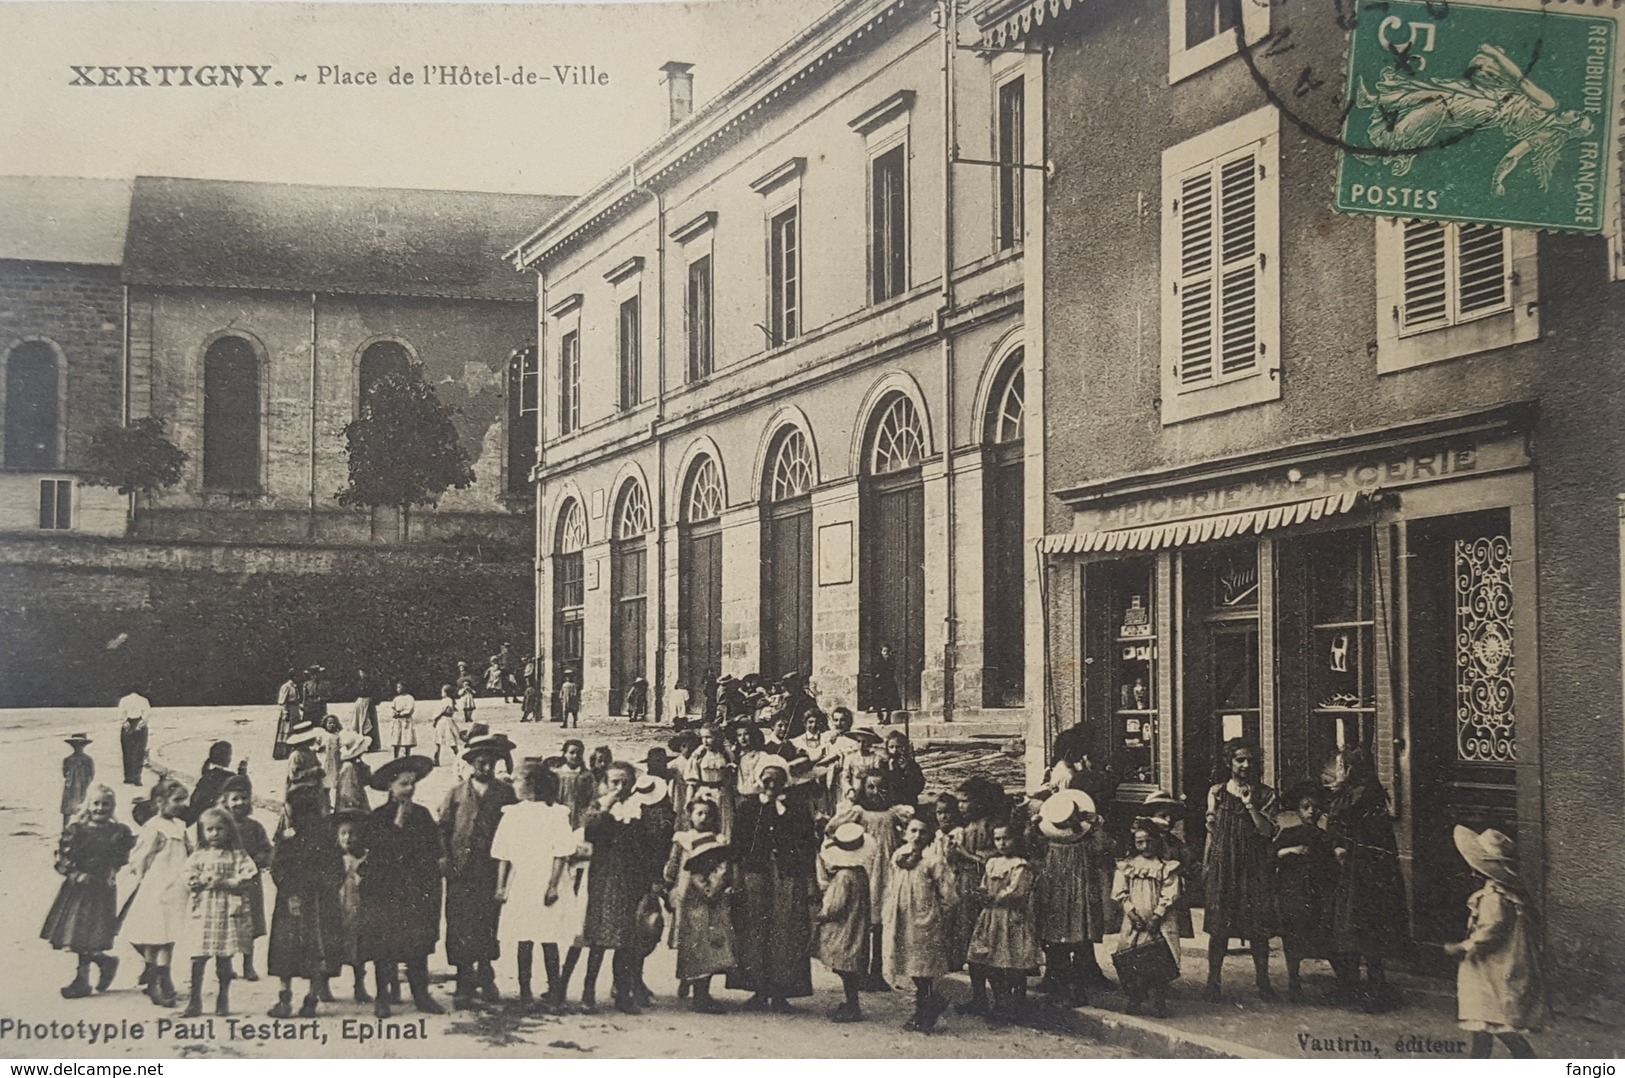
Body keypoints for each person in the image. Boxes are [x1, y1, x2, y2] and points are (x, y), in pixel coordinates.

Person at [493, 760, 589, 1009]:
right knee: (524, 939)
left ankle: (555, 993)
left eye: (518, 779)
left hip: (546, 878)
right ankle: (525, 993)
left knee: (549, 938)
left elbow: (561, 852)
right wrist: (501, 886)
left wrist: (553, 885)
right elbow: (503, 853)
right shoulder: (513, 813)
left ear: (532, 783)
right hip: (523, 879)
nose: (513, 784)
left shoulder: (555, 813)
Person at [1445, 826, 1545, 1059]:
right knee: (1483, 1025)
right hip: (1494, 970)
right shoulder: (1506, 894)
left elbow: (1490, 930)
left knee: (1495, 1023)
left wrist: (1463, 946)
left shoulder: (1493, 898)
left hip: (1491, 971)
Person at [359, 754, 446, 1019]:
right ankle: (382, 998)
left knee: (417, 946)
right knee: (384, 946)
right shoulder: (377, 817)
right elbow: (376, 853)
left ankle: (421, 996)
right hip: (386, 891)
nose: (410, 789)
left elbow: (433, 850)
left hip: (416, 891)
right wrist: (397, 825)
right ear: (390, 787)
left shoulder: (422, 815)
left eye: (412, 784)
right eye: (404, 784)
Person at [439, 732, 519, 1007]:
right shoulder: (456, 794)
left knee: (487, 921)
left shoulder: (505, 792)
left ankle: (486, 975)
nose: (485, 768)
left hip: (491, 870)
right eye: (480, 763)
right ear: (471, 764)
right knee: (460, 922)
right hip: (461, 870)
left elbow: (516, 829)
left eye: (490, 763)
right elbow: (443, 829)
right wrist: (445, 859)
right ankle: (463, 979)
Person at [729, 762, 816, 1011]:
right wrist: (737, 877)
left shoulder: (797, 809)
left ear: (785, 782)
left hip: (787, 875)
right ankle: (757, 990)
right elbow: (737, 846)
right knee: (755, 929)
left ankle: (781, 992)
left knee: (785, 931)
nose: (771, 784)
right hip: (755, 874)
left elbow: (808, 845)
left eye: (776, 780)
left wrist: (807, 879)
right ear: (760, 780)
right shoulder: (748, 808)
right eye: (766, 779)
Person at [1325, 748, 1407, 1011]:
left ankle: (1367, 989)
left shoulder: (1359, 794)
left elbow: (1339, 820)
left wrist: (1337, 792)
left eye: (1340, 767)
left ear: (1349, 770)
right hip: (1368, 869)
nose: (1336, 772)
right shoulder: (1368, 791)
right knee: (1366, 926)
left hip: (1363, 870)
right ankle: (1369, 984)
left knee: (1360, 924)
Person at [1202, 739, 1279, 1002]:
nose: (1246, 765)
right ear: (1229, 763)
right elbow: (1211, 833)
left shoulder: (1266, 794)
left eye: (1250, 760)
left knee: (1258, 928)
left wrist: (1249, 804)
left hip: (1253, 867)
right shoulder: (1217, 792)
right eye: (1240, 760)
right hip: (1224, 867)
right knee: (1218, 929)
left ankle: (1263, 982)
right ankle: (1213, 982)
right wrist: (1207, 866)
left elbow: (1267, 831)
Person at [42, 785, 134, 999]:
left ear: (112, 807)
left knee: (90, 934)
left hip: (101, 889)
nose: (100, 808)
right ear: (88, 805)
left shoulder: (118, 832)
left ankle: (84, 978)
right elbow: (62, 858)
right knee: (76, 934)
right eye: (96, 803)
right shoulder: (77, 830)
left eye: (106, 804)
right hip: (79, 889)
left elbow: (121, 856)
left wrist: (113, 870)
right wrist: (75, 874)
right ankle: (98, 966)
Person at [581, 761, 658, 1014]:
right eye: (614, 781)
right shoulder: (599, 806)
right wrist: (608, 803)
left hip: (631, 880)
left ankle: (623, 994)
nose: (620, 786)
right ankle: (588, 991)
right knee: (600, 937)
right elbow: (589, 832)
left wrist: (649, 880)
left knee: (628, 939)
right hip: (604, 878)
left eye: (624, 782)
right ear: (605, 783)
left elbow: (649, 847)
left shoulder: (639, 809)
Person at [827, 768, 913, 991]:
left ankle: (877, 972)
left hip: (887, 871)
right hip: (864, 868)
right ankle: (860, 971)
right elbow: (832, 828)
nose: (876, 792)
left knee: (882, 923)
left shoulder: (894, 813)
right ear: (863, 789)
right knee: (864, 922)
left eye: (882, 788)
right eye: (871, 787)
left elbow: (911, 830)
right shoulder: (858, 812)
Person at [265, 782, 344, 1018]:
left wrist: (292, 894)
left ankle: (284, 998)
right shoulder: (328, 836)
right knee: (318, 949)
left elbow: (278, 868)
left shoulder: (289, 838)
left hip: (293, 902)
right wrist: (327, 891)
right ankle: (311, 999)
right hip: (321, 901)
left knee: (287, 950)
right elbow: (337, 870)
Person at [1031, 787, 1111, 1006]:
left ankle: (1076, 988)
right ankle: (1058, 983)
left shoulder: (1084, 843)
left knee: (1078, 936)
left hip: (1078, 893)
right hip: (1056, 892)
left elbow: (1104, 848)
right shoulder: (1049, 842)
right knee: (1058, 936)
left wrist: (1096, 826)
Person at [120, 776, 194, 1007]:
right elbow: (139, 856)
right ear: (160, 802)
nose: (182, 804)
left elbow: (189, 852)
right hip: (158, 887)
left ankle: (160, 975)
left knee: (168, 934)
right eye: (177, 800)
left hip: (177, 887)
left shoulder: (180, 826)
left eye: (184, 800)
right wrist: (143, 876)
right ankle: (158, 979)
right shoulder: (153, 827)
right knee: (156, 934)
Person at [179, 806, 258, 1018]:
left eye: (219, 829)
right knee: (198, 957)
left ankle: (223, 998)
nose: (214, 834)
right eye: (210, 830)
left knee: (224, 958)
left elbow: (249, 875)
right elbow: (187, 874)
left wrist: (226, 882)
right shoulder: (199, 855)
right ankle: (194, 1000)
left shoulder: (237, 855)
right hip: (204, 909)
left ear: (229, 831)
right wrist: (198, 881)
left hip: (226, 910)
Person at [662, 798, 736, 1012]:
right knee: (691, 939)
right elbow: (673, 865)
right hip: (687, 896)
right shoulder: (682, 839)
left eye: (708, 814)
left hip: (710, 898)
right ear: (689, 816)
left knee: (708, 940)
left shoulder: (717, 840)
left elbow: (723, 868)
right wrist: (667, 885)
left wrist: (713, 888)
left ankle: (701, 990)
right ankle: (694, 985)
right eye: (699, 813)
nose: (703, 818)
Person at [884, 815, 953, 1033]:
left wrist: (938, 916)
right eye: (913, 830)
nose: (917, 836)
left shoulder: (934, 860)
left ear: (930, 836)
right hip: (903, 917)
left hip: (924, 919)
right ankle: (929, 1004)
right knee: (911, 965)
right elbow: (891, 883)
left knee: (923, 967)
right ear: (905, 832)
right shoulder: (898, 855)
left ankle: (924, 1010)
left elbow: (948, 894)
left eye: (923, 832)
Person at [968, 821, 1040, 1025]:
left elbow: (1017, 891)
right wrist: (981, 894)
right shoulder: (992, 863)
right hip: (990, 917)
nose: (1001, 843)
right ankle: (990, 1001)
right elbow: (985, 884)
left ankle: (1014, 1006)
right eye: (998, 839)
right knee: (983, 959)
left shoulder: (1020, 865)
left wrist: (995, 897)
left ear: (1016, 839)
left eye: (1006, 839)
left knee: (1010, 961)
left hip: (1010, 918)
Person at [1112, 821, 1182, 1018]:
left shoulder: (1164, 867)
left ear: (1157, 841)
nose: (1145, 847)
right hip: (1135, 920)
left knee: (1159, 958)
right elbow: (1120, 892)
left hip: (1158, 920)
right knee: (1132, 956)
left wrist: (1157, 915)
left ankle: (1159, 1000)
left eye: (1149, 842)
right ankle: (1136, 997)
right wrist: (1132, 914)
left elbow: (1170, 893)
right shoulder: (1128, 866)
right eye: (1140, 842)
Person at [1273, 781, 1335, 1002]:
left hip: (1317, 892)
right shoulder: (1289, 833)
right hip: (1293, 892)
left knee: (1323, 934)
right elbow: (1272, 856)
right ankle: (1293, 979)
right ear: (1298, 811)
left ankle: (1343, 981)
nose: (1311, 812)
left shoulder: (1325, 836)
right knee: (1293, 936)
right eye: (1305, 807)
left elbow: (1331, 867)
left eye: (1315, 807)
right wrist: (1291, 850)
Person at [947, 778, 1003, 1010]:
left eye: (966, 802)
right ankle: (978, 996)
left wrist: (963, 854)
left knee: (985, 943)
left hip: (982, 887)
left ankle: (1000, 999)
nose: (961, 807)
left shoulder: (990, 827)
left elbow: (990, 861)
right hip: (964, 887)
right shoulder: (965, 828)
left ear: (980, 803)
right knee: (969, 941)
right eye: (959, 802)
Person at [815, 821, 873, 1023]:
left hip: (844, 927)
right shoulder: (860, 873)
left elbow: (834, 906)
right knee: (851, 964)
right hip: (857, 922)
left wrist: (821, 914)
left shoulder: (843, 877)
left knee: (845, 966)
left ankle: (853, 1005)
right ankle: (851, 1002)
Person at [219, 776, 270, 983]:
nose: (239, 803)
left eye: (244, 798)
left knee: (250, 923)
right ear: (225, 801)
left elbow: (267, 849)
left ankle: (248, 965)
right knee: (225, 922)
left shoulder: (255, 827)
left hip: (250, 882)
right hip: (227, 880)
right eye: (235, 799)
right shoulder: (219, 825)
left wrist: (259, 860)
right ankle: (225, 964)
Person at [331, 809, 372, 1003]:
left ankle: (360, 985)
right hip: (338, 907)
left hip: (358, 907)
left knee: (359, 947)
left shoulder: (364, 858)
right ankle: (323, 985)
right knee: (333, 943)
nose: (348, 838)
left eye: (352, 833)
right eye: (344, 833)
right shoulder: (333, 859)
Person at [683, 724, 738, 839]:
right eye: (702, 738)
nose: (705, 741)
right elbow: (691, 782)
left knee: (725, 825)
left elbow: (734, 775)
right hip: (704, 793)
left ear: (717, 737)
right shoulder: (699, 754)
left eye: (708, 737)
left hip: (722, 795)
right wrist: (689, 801)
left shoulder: (726, 754)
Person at [188, 741, 238, 825]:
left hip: (195, 814)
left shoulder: (207, 772)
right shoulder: (228, 776)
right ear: (226, 758)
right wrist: (243, 770)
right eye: (229, 756)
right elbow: (241, 783)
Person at [551, 739, 596, 829]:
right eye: (571, 753)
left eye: (579, 753)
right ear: (565, 754)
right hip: (559, 815)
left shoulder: (587, 776)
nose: (575, 756)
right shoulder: (556, 774)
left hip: (580, 817)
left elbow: (593, 796)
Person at [879, 731, 925, 809]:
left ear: (905, 747)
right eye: (891, 747)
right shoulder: (884, 765)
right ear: (887, 748)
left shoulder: (911, 765)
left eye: (898, 747)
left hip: (907, 802)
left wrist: (907, 769)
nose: (895, 750)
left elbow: (918, 786)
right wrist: (892, 770)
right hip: (889, 804)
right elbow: (884, 786)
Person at [118, 686, 151, 786]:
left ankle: (128, 777)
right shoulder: (144, 700)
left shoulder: (124, 700)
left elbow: (121, 712)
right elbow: (146, 713)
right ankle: (137, 777)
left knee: (127, 751)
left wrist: (125, 723)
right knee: (139, 751)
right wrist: (141, 724)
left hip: (128, 723)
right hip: (139, 723)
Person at [60, 733, 95, 827]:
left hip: (77, 786)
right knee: (70, 809)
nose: (78, 748)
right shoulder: (71, 759)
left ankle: (76, 827)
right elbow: (91, 775)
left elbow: (91, 774)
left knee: (77, 808)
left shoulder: (71, 759)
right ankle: (67, 828)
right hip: (75, 787)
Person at [869, 644, 903, 727]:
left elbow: (892, 671)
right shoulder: (878, 661)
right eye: (884, 651)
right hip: (879, 683)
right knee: (878, 701)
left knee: (889, 701)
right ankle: (880, 717)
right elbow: (875, 671)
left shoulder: (891, 661)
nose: (886, 653)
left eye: (887, 651)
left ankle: (888, 718)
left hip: (888, 683)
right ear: (881, 652)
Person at [350, 669, 381, 753]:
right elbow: (354, 692)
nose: (362, 674)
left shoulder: (372, 683)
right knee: (358, 723)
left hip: (369, 704)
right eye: (361, 673)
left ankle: (372, 745)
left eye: (364, 672)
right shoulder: (358, 683)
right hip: (360, 703)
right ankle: (360, 743)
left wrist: (373, 700)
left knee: (369, 722)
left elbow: (377, 693)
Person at [383, 682, 416, 761]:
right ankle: (396, 757)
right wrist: (394, 713)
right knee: (396, 738)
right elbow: (392, 708)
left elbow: (410, 709)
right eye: (397, 687)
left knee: (407, 738)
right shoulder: (396, 699)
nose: (398, 689)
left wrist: (401, 713)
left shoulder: (410, 698)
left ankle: (407, 756)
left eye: (400, 687)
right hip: (397, 720)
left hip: (406, 720)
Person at [432, 684, 461, 766]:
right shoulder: (451, 700)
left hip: (443, 721)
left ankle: (436, 759)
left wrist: (435, 719)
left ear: (446, 692)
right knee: (449, 739)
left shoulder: (446, 700)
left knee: (441, 740)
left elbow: (441, 711)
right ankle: (458, 756)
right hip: (447, 720)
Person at [275, 672, 301, 758]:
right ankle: (283, 752)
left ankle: (292, 750)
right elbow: (283, 701)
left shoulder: (295, 686)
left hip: (295, 710)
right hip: (289, 710)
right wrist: (285, 712)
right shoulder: (286, 686)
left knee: (294, 729)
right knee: (286, 730)